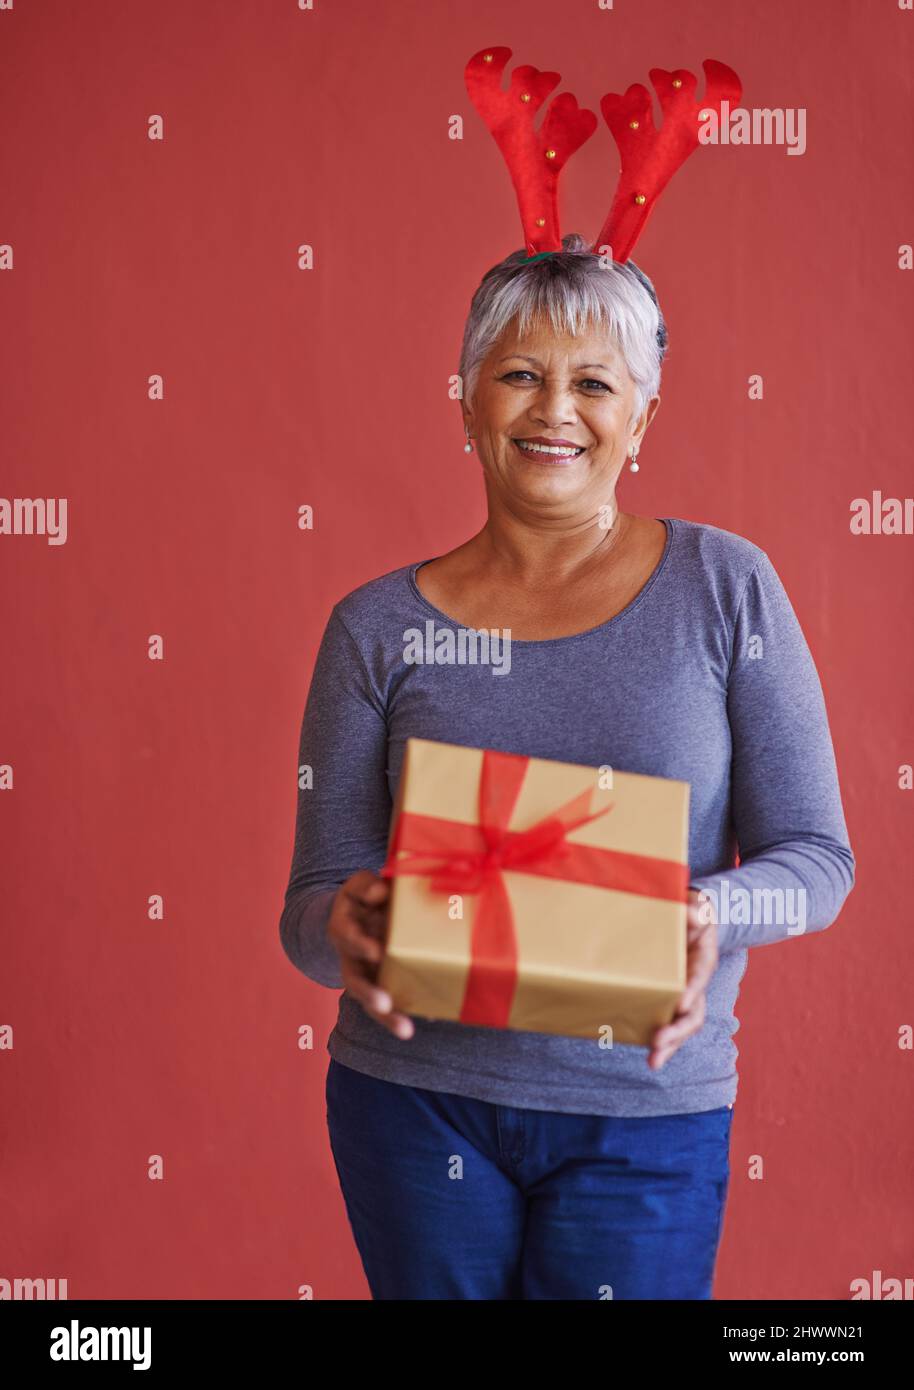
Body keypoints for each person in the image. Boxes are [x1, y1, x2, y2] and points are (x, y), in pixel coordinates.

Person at [278, 236, 855, 1299]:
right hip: (412, 1102)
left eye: (592, 381)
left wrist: (703, 911)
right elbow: (311, 909)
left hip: (643, 1109)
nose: (554, 409)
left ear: (638, 418)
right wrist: (343, 928)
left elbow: (816, 858)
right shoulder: (374, 628)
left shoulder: (724, 588)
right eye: (517, 375)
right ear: (465, 402)